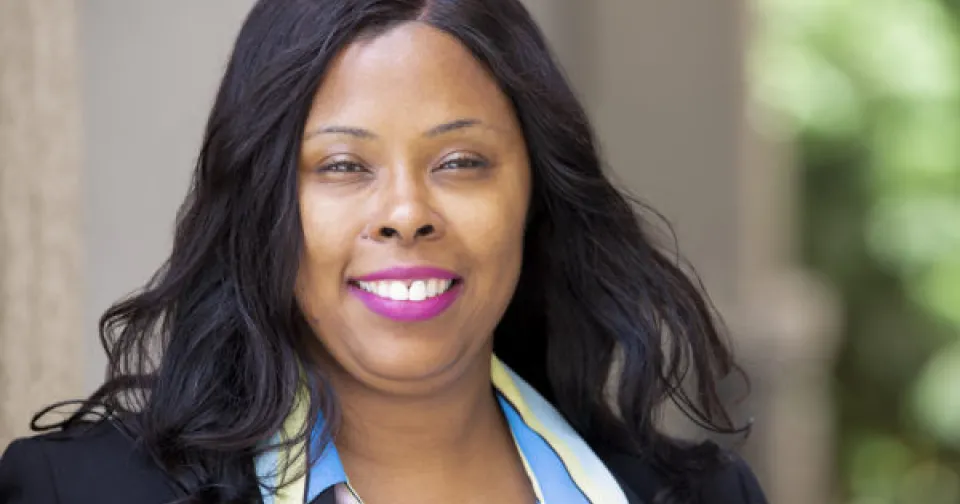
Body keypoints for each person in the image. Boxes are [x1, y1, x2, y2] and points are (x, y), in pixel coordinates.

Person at [0, 1, 767, 503]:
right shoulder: (75, 491)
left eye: (460, 162)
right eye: (343, 166)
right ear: (265, 203)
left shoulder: (703, 497)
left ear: (536, 194)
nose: (406, 215)